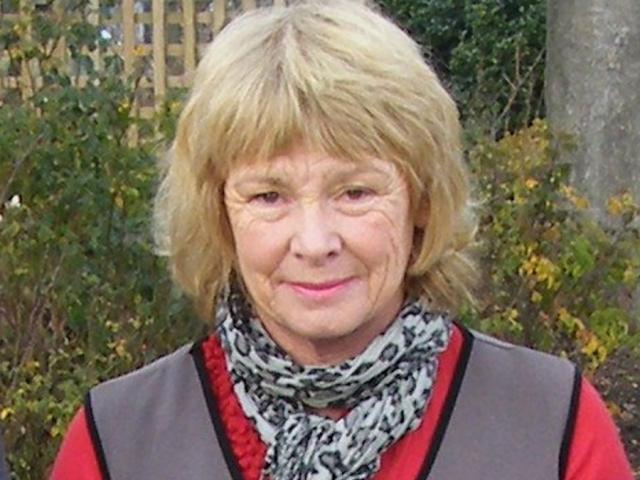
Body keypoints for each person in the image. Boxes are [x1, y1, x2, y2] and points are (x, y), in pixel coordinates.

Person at [51, 1, 633, 479]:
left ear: (421, 203)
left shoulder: (551, 425)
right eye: (269, 196)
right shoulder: (118, 442)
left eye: (355, 192)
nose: (314, 241)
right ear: (219, 214)